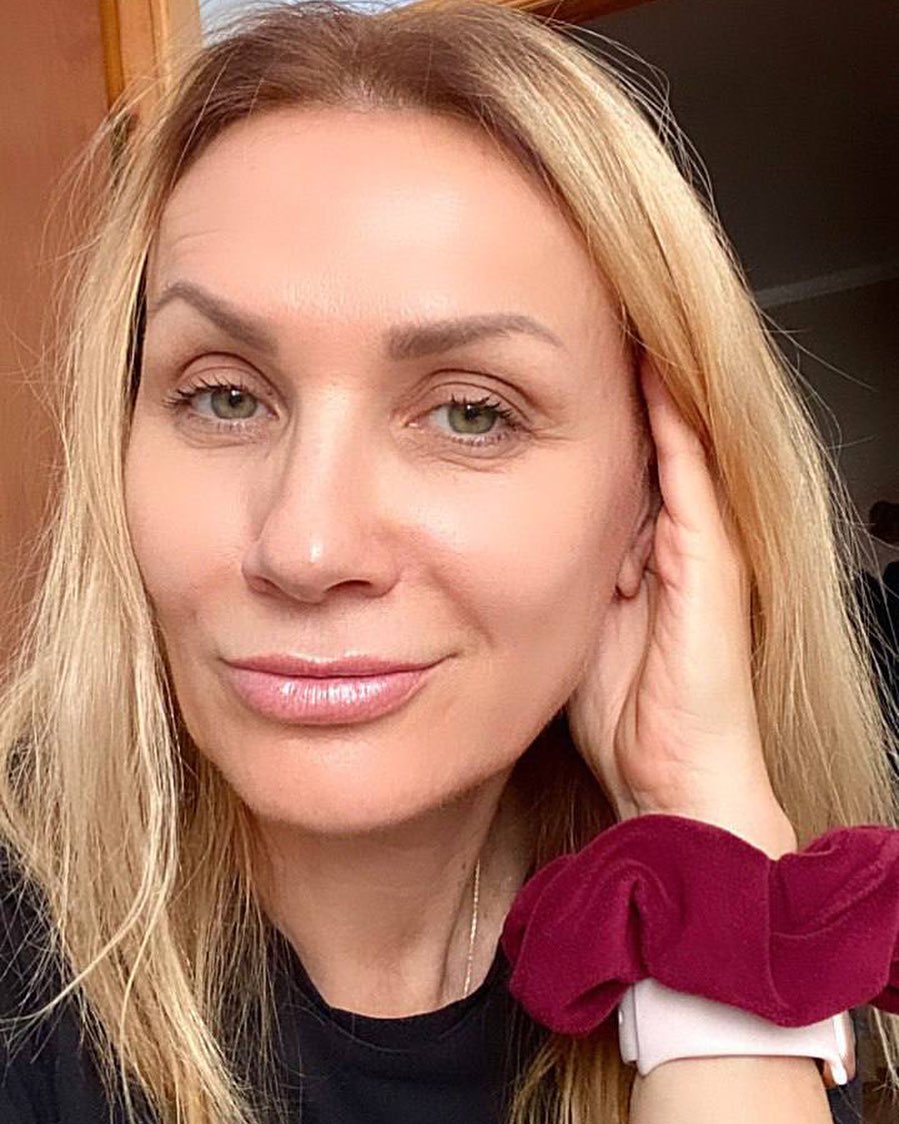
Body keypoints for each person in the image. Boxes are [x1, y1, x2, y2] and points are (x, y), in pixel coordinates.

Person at [0, 2, 896, 1122]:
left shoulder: (725, 924)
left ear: (653, 507)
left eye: (471, 413)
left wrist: (698, 826)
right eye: (223, 396)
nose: (306, 547)